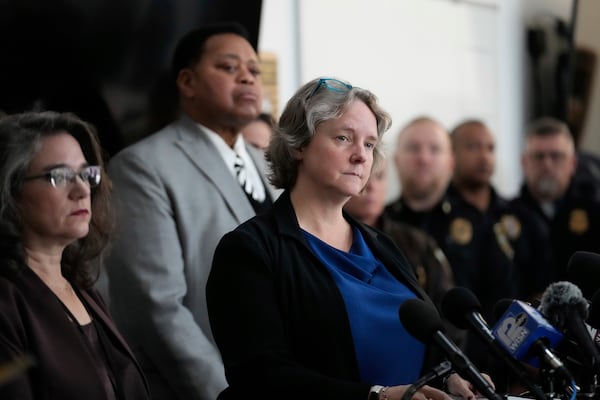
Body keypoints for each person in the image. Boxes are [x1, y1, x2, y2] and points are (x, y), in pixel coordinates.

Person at [206, 77, 492, 400]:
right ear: (299, 144)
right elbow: (259, 376)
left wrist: (448, 376)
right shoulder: (249, 250)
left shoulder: (381, 244)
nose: (361, 156)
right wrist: (376, 396)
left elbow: (420, 346)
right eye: (344, 138)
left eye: (369, 144)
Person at [103, 22, 279, 400]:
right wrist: (224, 393)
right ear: (187, 82)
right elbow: (157, 307)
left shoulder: (269, 166)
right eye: (230, 68)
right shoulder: (143, 166)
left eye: (253, 70)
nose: (247, 79)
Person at [0, 111, 149, 399]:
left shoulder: (80, 285)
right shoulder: (6, 300)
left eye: (85, 174)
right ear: (10, 190)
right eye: (59, 176)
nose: (82, 190)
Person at [512, 117, 600, 282]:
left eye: (556, 156)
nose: (547, 164)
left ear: (572, 163)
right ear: (524, 163)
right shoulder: (507, 215)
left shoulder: (595, 212)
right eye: (539, 156)